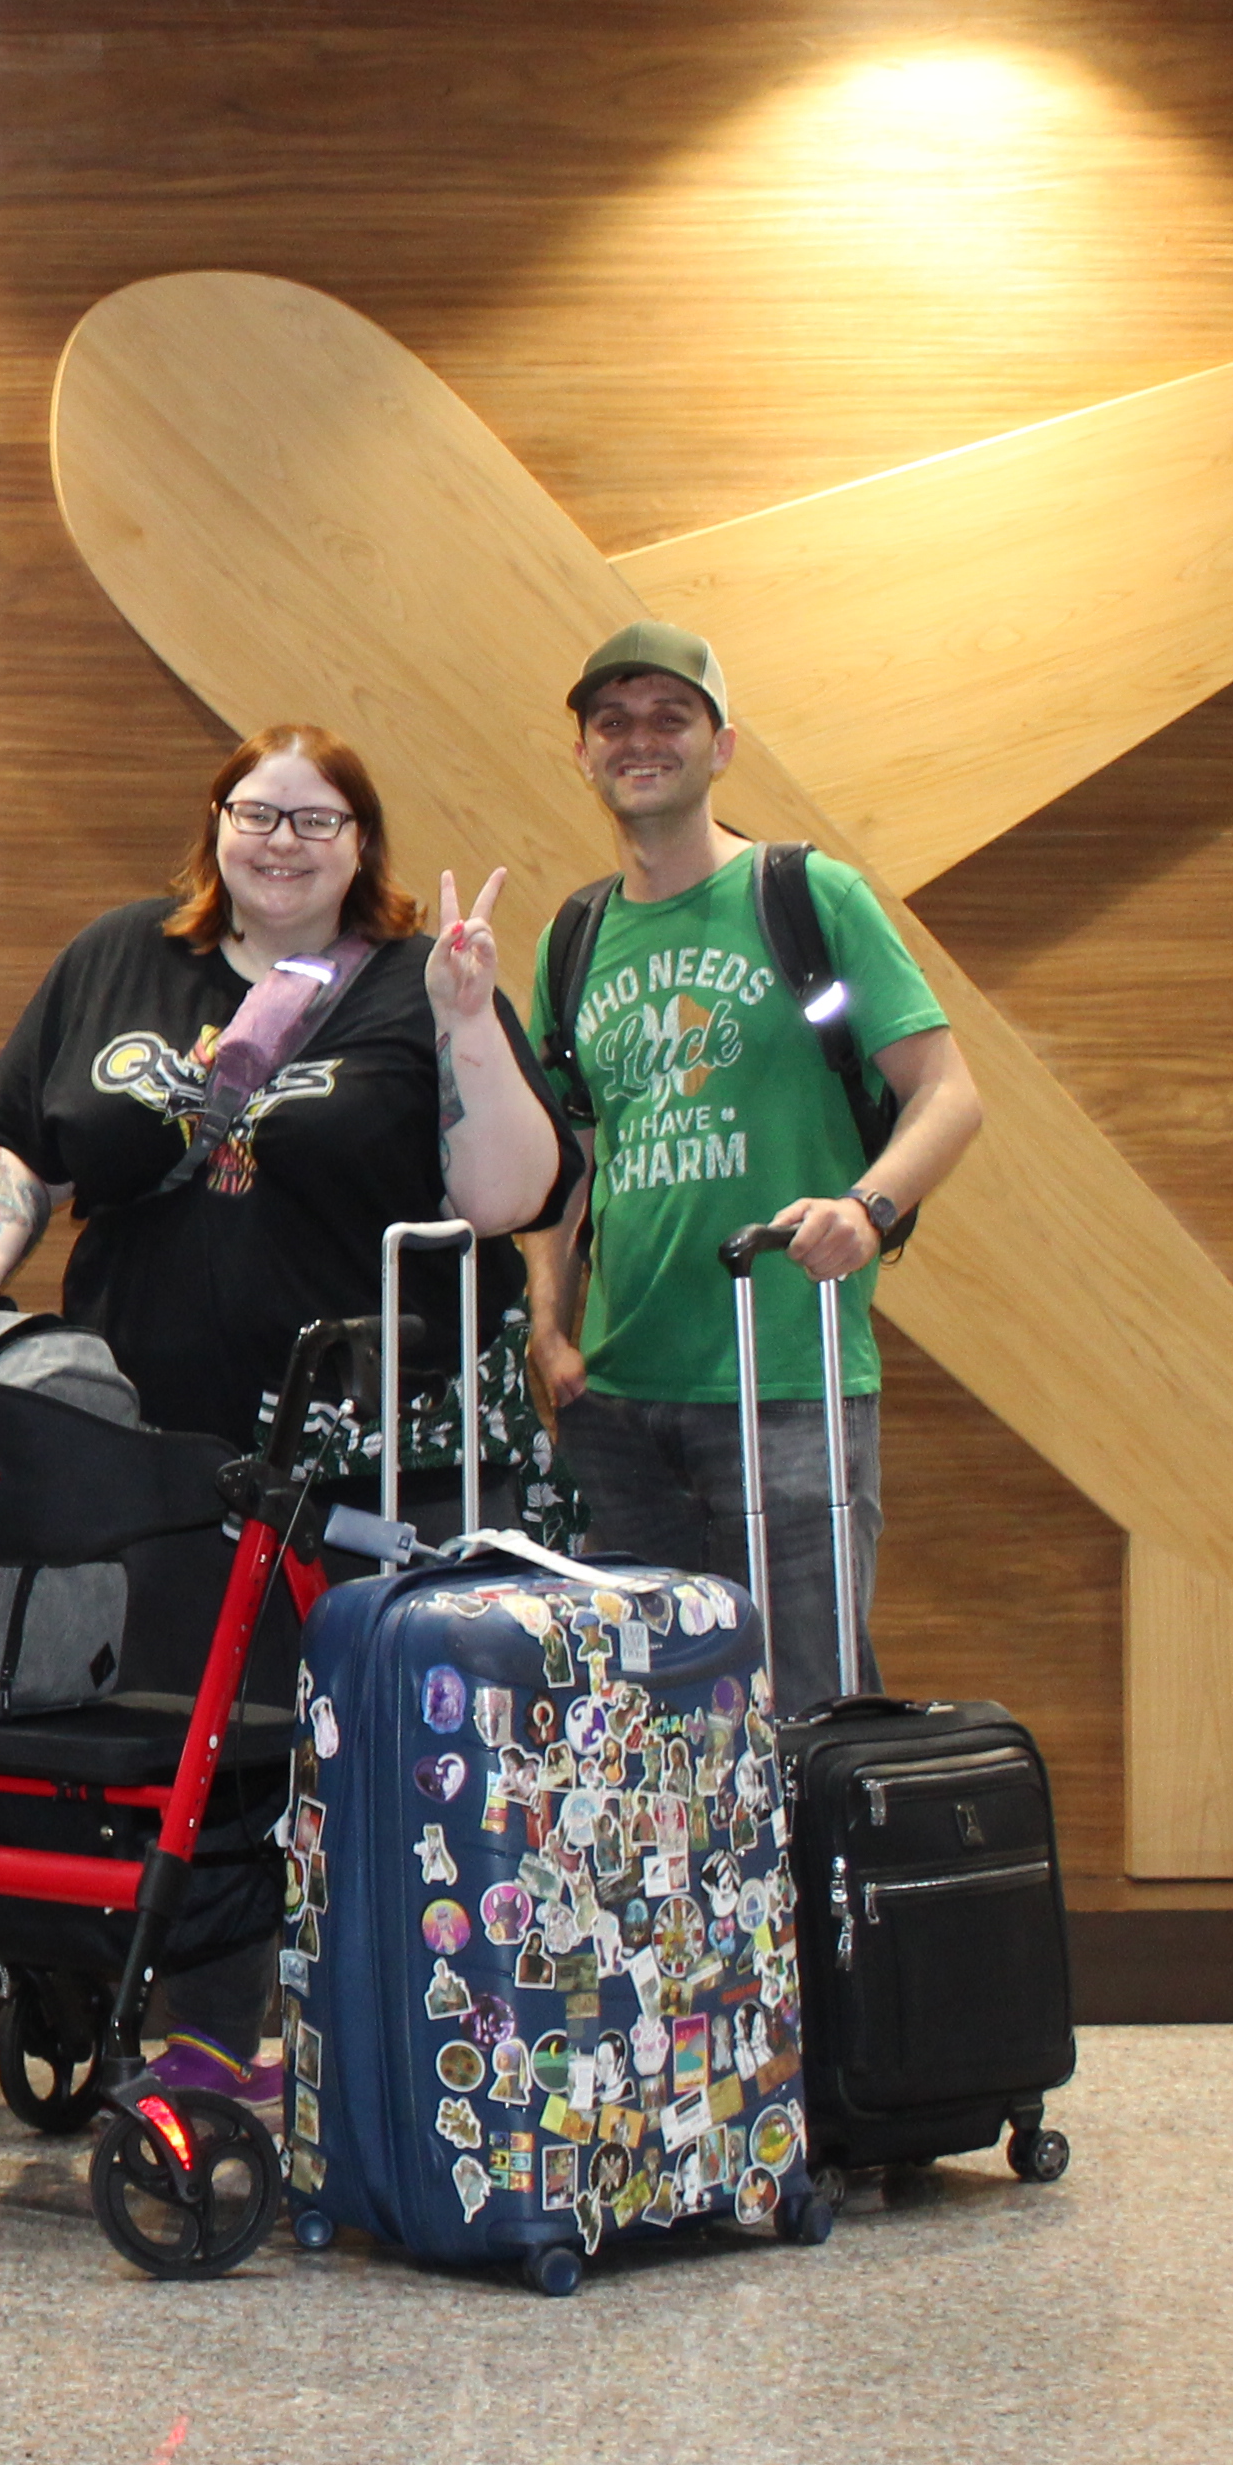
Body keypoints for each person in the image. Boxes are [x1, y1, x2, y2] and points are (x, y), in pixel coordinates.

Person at [0, 722, 575, 2106]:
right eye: (257, 812)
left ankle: (408, 2042)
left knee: (380, 1744)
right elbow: (12, 1137)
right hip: (160, 1449)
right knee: (196, 1739)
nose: (282, 841)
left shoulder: (418, 981)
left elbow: (513, 1197)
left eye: (318, 821)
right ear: (214, 825)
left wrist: (466, 1023)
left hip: (387, 1449)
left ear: (362, 847)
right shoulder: (121, 958)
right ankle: (212, 2037)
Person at [529, 621, 986, 1710]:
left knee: (805, 1709)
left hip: (784, 1384)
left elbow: (949, 1093)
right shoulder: (575, 937)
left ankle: (822, 1892)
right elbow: (566, 1157)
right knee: (638, 1727)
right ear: (584, 756)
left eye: (670, 717)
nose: (641, 740)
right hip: (619, 1401)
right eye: (614, 722)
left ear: (723, 745)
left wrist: (868, 1209)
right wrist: (550, 1323)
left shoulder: (807, 899)